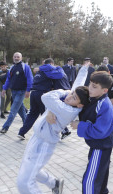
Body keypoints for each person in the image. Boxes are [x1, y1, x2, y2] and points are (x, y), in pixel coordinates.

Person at [17, 65, 90, 194]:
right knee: (28, 167)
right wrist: (84, 69)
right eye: (71, 94)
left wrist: (63, 91)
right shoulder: (67, 103)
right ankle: (54, 183)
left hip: (44, 143)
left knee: (25, 183)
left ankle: (52, 184)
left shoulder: (67, 110)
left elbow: (46, 97)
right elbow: (78, 85)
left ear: (79, 105)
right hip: (36, 137)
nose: (69, 96)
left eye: (73, 97)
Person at [71, 71, 113, 194]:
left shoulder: (104, 105)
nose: (89, 88)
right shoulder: (95, 98)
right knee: (100, 179)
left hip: (100, 146)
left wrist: (79, 125)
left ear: (104, 91)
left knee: (90, 182)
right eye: (90, 84)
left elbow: (99, 131)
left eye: (94, 86)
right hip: (99, 145)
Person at [17, 58, 67, 140]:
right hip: (42, 94)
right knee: (48, 115)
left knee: (32, 114)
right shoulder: (48, 70)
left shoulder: (39, 72)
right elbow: (60, 75)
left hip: (34, 94)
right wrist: (58, 68)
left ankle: (21, 132)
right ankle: (60, 132)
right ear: (51, 64)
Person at [0, 52, 33, 133]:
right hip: (13, 91)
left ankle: (5, 127)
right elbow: (8, 80)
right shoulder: (12, 67)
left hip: (21, 91)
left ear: (21, 58)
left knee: (13, 110)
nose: (16, 58)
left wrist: (28, 90)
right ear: (13, 58)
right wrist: (4, 89)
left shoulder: (25, 67)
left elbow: (30, 79)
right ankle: (26, 125)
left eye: (18, 57)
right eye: (15, 57)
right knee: (20, 110)